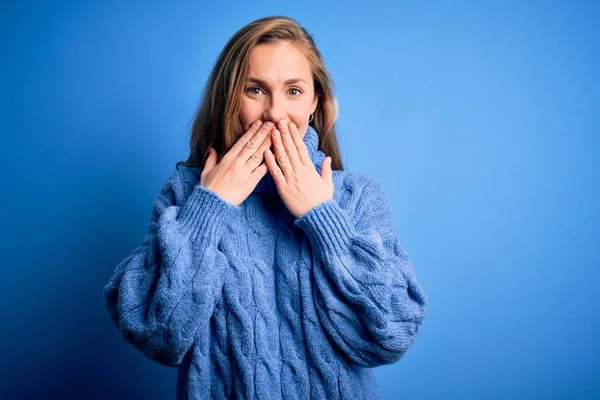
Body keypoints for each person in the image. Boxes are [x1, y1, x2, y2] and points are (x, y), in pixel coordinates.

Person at [103, 15, 428, 400]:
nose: (275, 112)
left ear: (314, 103)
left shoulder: (357, 196)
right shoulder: (187, 193)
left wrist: (323, 218)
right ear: (230, 99)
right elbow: (154, 333)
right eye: (255, 90)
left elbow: (392, 334)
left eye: (293, 91)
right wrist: (209, 208)